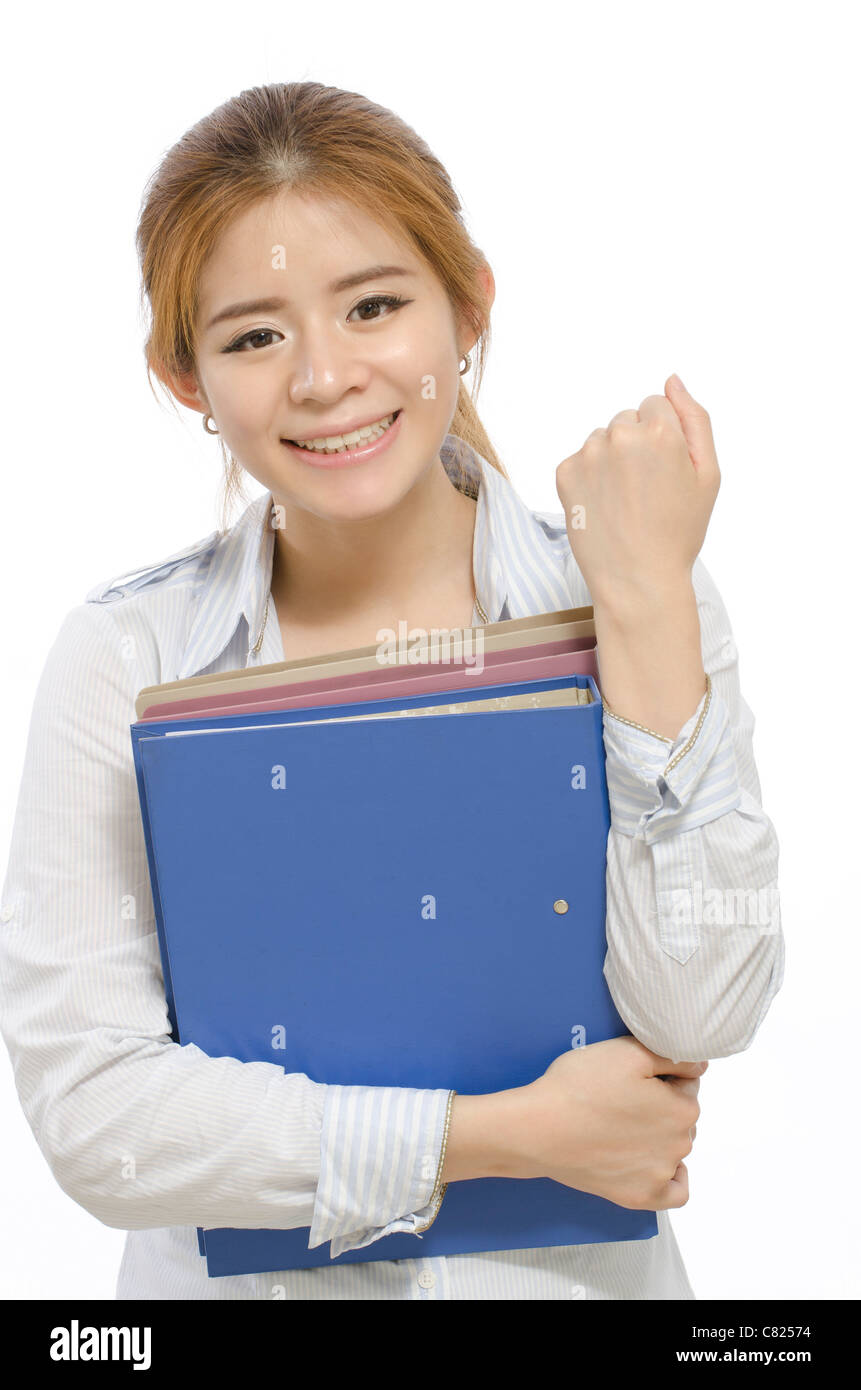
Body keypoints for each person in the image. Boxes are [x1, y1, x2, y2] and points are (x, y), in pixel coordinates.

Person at [0, 81, 783, 1301]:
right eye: (253, 335)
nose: (324, 377)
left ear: (468, 302)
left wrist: (638, 607)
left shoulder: (640, 590)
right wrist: (501, 1137)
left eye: (374, 304)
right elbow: (99, 1120)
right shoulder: (125, 656)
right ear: (185, 376)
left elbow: (702, 1006)